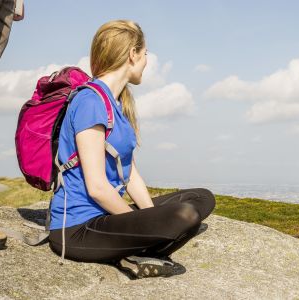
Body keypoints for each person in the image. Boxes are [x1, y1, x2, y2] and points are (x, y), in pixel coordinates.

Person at [47, 20, 215, 278]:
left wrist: (148, 219)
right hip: (77, 229)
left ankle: (142, 246)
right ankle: (142, 250)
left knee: (202, 198)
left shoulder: (115, 103)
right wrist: (144, 226)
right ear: (132, 54)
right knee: (185, 215)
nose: (147, 61)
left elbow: (130, 173)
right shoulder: (90, 101)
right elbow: (97, 187)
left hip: (107, 217)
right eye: (145, 53)